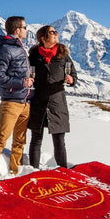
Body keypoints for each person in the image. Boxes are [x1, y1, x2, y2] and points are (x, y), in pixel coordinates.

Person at [0, 16, 34, 175]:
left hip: (25, 102)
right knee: (1, 140)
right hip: (11, 103)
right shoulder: (5, 48)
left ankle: (15, 171)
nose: (27, 30)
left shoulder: (20, 47)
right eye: (25, 27)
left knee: (19, 142)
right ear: (17, 30)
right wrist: (22, 82)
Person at [28, 25, 78, 169]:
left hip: (57, 102)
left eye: (56, 32)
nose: (56, 34)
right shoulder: (34, 56)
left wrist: (71, 79)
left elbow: (73, 74)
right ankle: (33, 170)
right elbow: (29, 73)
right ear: (43, 38)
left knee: (59, 140)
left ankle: (63, 171)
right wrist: (30, 79)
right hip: (39, 102)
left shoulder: (63, 55)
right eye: (52, 32)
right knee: (36, 139)